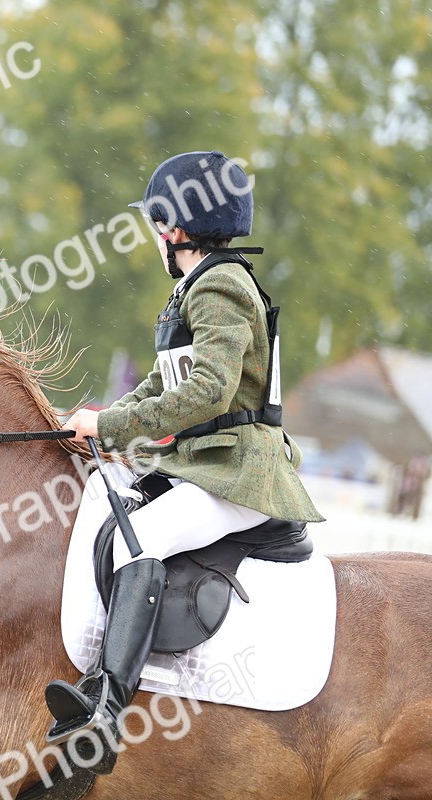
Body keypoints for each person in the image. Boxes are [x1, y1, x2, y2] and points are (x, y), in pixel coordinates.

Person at [44, 151, 325, 773]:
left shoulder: (222, 283)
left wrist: (112, 426)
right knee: (107, 506)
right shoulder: (194, 287)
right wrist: (96, 424)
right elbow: (158, 384)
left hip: (239, 471)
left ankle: (104, 713)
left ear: (174, 228)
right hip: (206, 464)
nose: (154, 236)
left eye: (156, 224)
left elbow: (208, 391)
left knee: (134, 541)